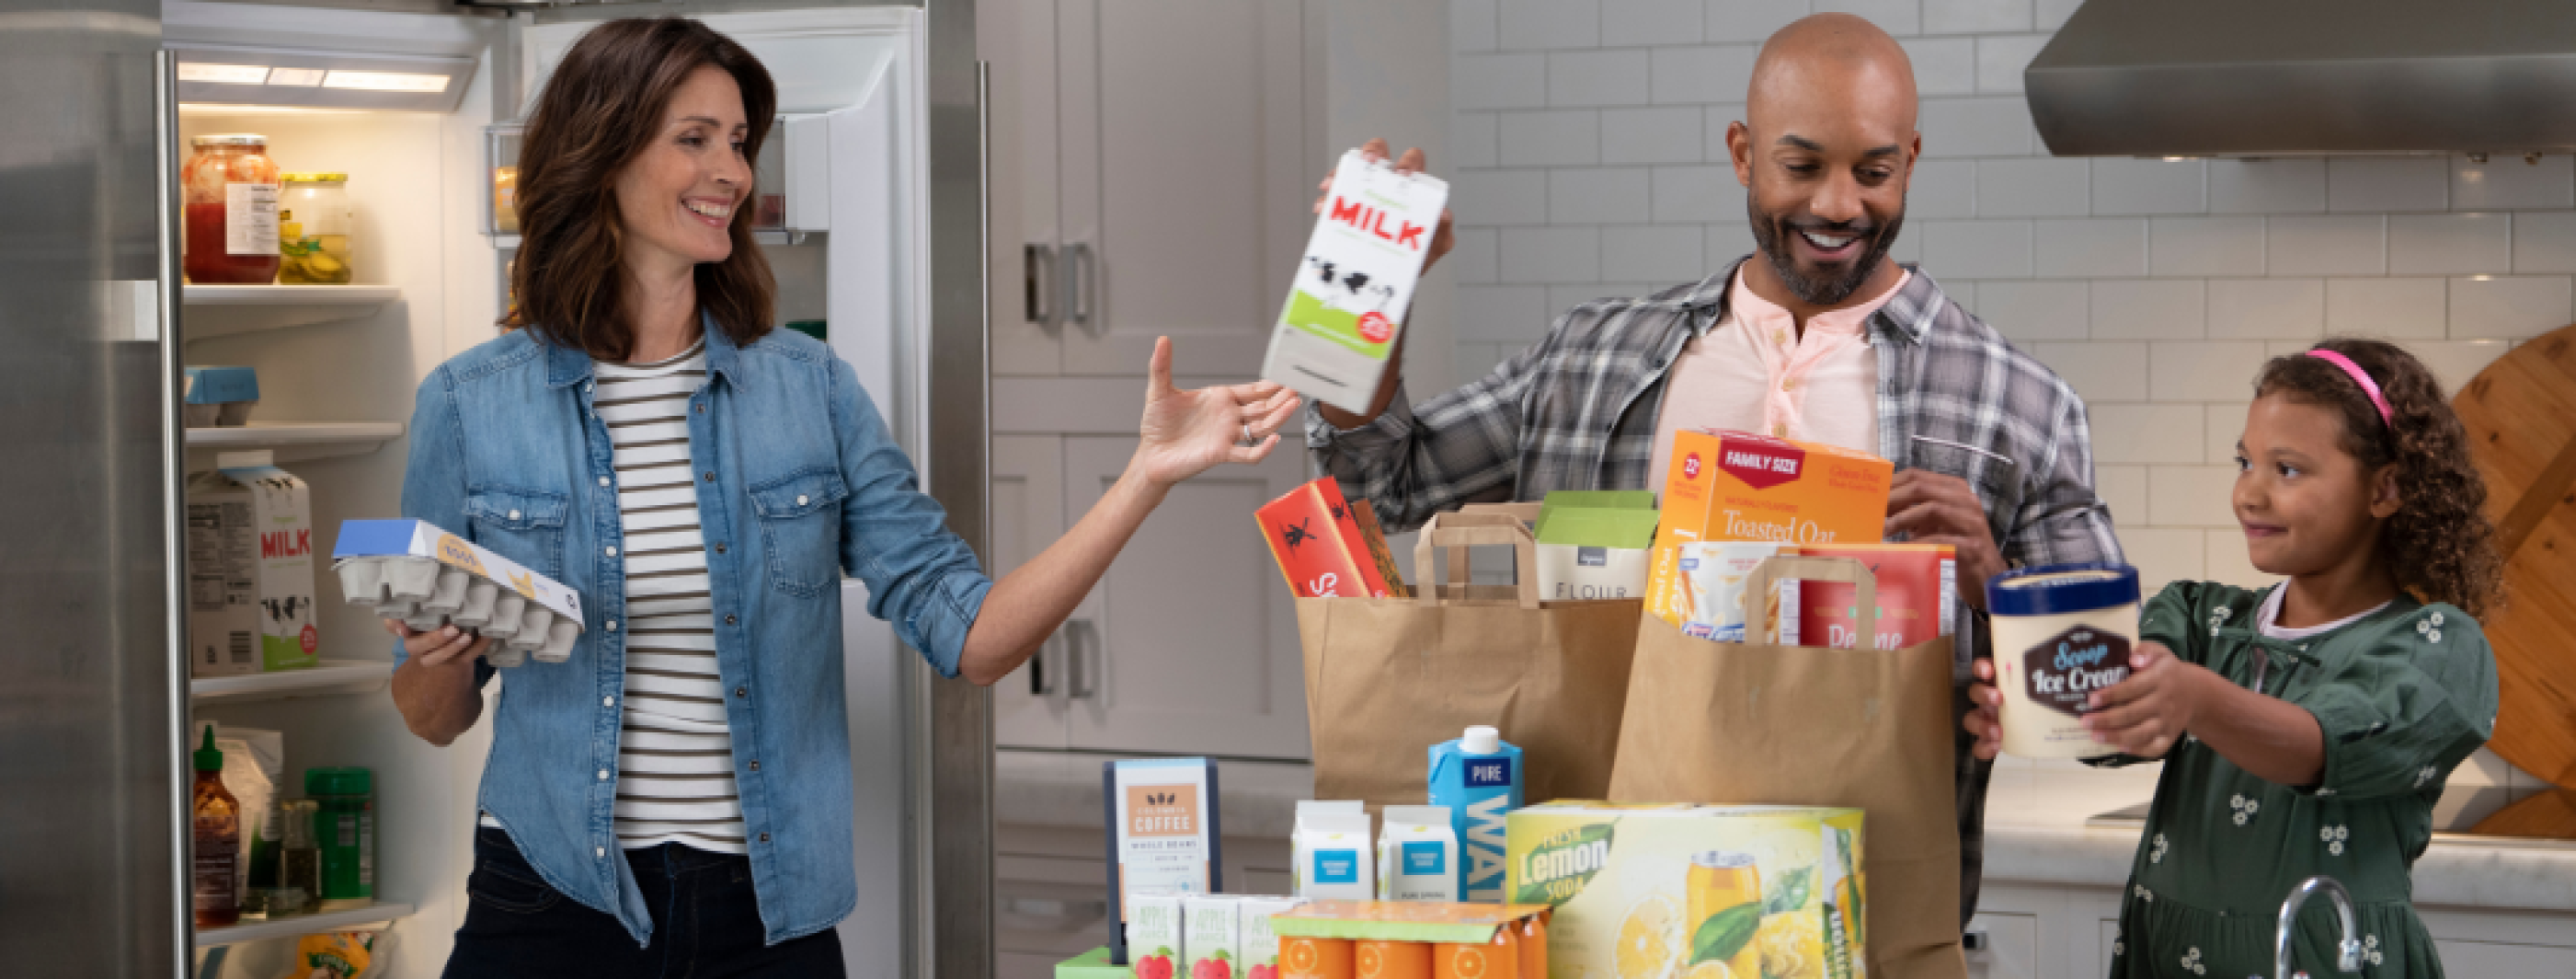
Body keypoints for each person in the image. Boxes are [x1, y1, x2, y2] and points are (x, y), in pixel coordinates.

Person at [386, 18, 1299, 976]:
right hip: (547, 898)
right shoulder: (468, 403)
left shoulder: (808, 388)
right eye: (693, 139)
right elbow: (432, 712)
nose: (730, 172)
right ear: (600, 154)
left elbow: (975, 637)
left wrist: (1143, 475)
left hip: (761, 912)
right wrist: (440, 659)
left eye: (737, 142)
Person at [1311, 14, 2119, 922]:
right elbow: (1378, 484)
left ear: (1912, 159)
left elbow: (2107, 722)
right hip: (1601, 918)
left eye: (1873, 170)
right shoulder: (1590, 358)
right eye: (1801, 165)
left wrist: (1995, 588)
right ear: (1741, 154)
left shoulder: (2018, 401)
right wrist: (1365, 290)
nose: (1839, 205)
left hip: (1868, 927)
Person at [1963, 339, 2502, 976]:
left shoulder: (2434, 646)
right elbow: (2122, 713)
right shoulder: (2201, 619)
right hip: (2164, 956)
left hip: (2327, 958)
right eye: (2244, 462)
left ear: (2385, 488)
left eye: (2288, 469)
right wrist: (2034, 686)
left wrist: (2190, 696)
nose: (2249, 494)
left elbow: (2318, 745)